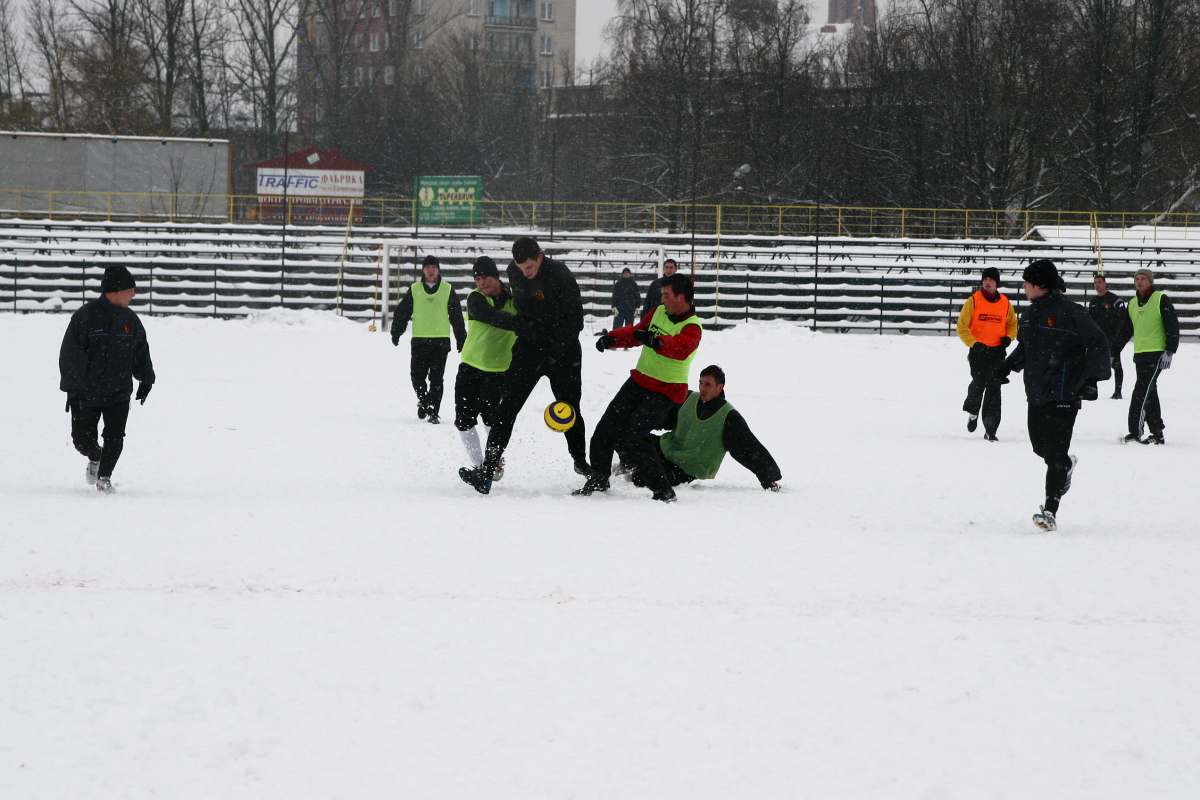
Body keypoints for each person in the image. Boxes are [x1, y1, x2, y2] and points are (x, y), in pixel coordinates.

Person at [459, 236, 587, 494]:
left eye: (529, 267)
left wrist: (552, 345)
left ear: (540, 256)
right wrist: (527, 330)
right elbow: (521, 311)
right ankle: (487, 472)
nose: (525, 273)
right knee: (507, 408)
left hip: (563, 351)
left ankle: (581, 463)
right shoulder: (514, 272)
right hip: (530, 348)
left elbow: (577, 322)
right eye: (520, 268)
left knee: (570, 408)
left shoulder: (560, 275)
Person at [1003, 259, 1110, 532]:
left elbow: (1098, 342)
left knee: (1055, 452)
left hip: (1065, 392)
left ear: (1039, 285)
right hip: (1037, 392)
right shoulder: (1029, 314)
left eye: (1027, 283)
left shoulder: (1071, 312)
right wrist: (1005, 367)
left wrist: (1092, 380)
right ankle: (1065, 465)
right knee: (1041, 447)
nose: (1024, 288)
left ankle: (1050, 509)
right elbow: (1025, 349)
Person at [578, 273, 703, 502]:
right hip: (639, 382)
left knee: (634, 436)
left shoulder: (693, 327)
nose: (662, 299)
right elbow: (637, 333)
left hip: (666, 392)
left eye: (666, 295)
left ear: (681, 297)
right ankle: (599, 478)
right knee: (606, 427)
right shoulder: (658, 312)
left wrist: (655, 340)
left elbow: (679, 349)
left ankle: (663, 490)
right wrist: (612, 339)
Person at [58, 264, 156, 494]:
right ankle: (95, 456)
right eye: (130, 290)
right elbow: (70, 354)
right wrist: (73, 389)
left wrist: (146, 379)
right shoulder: (85, 317)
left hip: (119, 392)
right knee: (81, 440)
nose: (134, 295)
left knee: (115, 437)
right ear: (116, 290)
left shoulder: (131, 320)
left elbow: (140, 351)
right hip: (87, 393)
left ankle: (104, 478)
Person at [620, 365, 781, 492]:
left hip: (686, 468)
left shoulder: (728, 417)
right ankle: (625, 467)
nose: (703, 388)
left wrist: (768, 478)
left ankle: (630, 470)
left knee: (642, 479)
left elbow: (748, 448)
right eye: (701, 383)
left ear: (720, 387)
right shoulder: (689, 398)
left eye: (708, 384)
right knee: (627, 437)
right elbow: (662, 416)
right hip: (668, 449)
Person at [454, 256, 518, 472]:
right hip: (470, 367)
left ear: (496, 277)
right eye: (477, 279)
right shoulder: (475, 298)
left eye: (485, 277)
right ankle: (479, 465)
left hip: (498, 371)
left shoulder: (514, 300)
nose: (481, 283)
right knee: (463, 420)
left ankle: (494, 461)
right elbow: (490, 316)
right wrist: (522, 323)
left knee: (492, 419)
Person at [390, 254, 466, 424]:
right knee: (417, 377)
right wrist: (396, 331)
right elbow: (403, 312)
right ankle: (425, 401)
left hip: (440, 342)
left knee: (436, 379)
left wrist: (461, 338)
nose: (431, 270)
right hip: (419, 341)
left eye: (434, 267)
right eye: (428, 267)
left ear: (438, 270)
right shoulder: (415, 289)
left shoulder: (447, 289)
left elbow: (456, 317)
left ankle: (433, 411)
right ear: (423, 270)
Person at [1111, 267, 1180, 444]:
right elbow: (1125, 330)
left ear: (1150, 281)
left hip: (1157, 354)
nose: (1139, 281)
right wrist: (1114, 351)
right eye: (1137, 279)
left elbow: (1172, 325)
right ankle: (1157, 434)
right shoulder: (1132, 304)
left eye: (1143, 278)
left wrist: (1170, 351)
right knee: (1150, 392)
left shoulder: (1160, 299)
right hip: (1140, 354)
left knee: (1141, 391)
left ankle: (1135, 432)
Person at [956, 266, 1016, 441]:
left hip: (997, 352)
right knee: (979, 383)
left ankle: (991, 429)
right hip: (978, 352)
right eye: (985, 279)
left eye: (991, 279)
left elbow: (1013, 324)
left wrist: (1008, 337)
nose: (987, 282)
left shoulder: (1005, 303)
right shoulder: (973, 301)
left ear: (997, 283)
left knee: (994, 388)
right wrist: (974, 344)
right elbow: (962, 327)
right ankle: (973, 412)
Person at [1087, 272, 1127, 399]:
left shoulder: (1114, 300)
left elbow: (1122, 320)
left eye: (1099, 282)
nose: (1097, 285)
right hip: (1097, 340)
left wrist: (1116, 339)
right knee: (1092, 364)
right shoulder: (1093, 302)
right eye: (1095, 283)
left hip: (1112, 339)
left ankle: (1118, 391)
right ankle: (1092, 389)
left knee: (1116, 364)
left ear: (1105, 283)